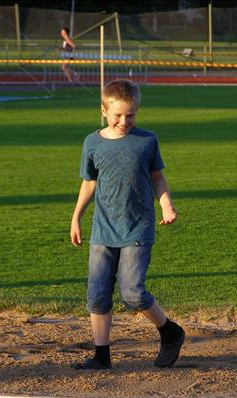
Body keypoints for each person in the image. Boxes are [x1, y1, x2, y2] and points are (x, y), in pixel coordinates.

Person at [70, 79, 185, 370]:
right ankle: (101, 356)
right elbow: (89, 182)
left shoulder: (147, 141)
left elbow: (157, 177)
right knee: (97, 296)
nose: (124, 121)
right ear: (104, 111)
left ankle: (170, 332)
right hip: (103, 230)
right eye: (118, 115)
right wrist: (76, 217)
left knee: (132, 292)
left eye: (130, 115)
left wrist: (166, 205)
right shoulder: (92, 142)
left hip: (137, 228)